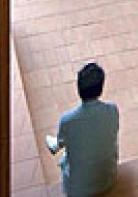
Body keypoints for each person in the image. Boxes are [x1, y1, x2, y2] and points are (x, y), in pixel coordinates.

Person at [46, 63, 119, 197]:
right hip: (108, 180)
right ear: (101, 88)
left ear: (78, 89)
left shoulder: (68, 119)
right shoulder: (112, 110)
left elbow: (58, 145)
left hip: (77, 190)